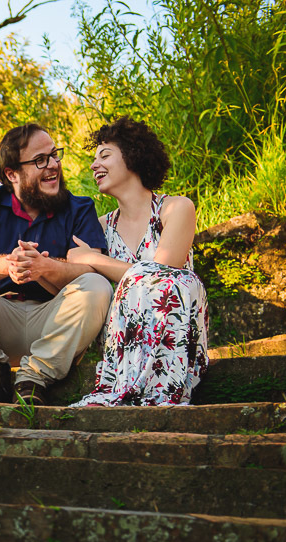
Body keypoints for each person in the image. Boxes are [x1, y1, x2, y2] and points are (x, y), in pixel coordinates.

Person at [0, 123, 113, 406]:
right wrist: (10, 264)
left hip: (55, 320)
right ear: (12, 173)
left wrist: (44, 266)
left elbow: (91, 268)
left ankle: (34, 379)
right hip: (0, 320)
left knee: (97, 285)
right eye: (40, 160)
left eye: (55, 155)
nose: (53, 165)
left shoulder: (80, 208)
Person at [65, 116, 209, 407]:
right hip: (125, 340)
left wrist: (94, 259)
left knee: (172, 280)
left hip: (174, 333)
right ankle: (123, 386)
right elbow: (71, 264)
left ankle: (165, 391)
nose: (94, 165)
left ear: (132, 156)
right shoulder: (100, 227)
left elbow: (161, 272)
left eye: (104, 155)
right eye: (94, 158)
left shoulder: (176, 208)